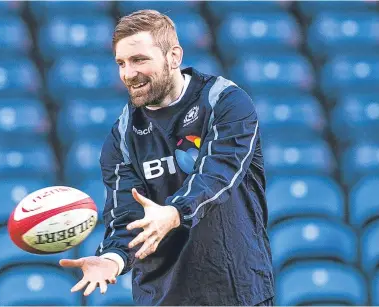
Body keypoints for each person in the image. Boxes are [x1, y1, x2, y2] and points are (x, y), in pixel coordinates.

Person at [59, 9, 275, 306]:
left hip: (238, 290)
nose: (127, 73)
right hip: (162, 297)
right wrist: (112, 259)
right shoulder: (123, 135)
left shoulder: (225, 102)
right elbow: (126, 216)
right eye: (121, 63)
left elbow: (218, 174)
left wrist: (174, 212)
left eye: (139, 60)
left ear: (173, 56)